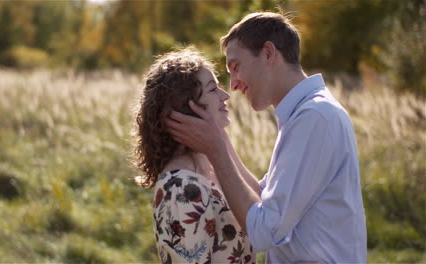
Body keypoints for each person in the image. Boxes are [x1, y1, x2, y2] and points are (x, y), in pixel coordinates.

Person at [166, 12, 367, 263]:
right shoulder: (304, 114)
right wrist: (220, 141)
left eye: (236, 67)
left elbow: (265, 231)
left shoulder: (314, 118)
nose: (234, 86)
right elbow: (264, 197)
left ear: (269, 53)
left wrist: (216, 150)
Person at [133, 48, 256, 264]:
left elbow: (264, 214)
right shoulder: (180, 187)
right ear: (186, 107)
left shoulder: (211, 168)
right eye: (213, 89)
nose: (225, 96)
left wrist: (220, 143)